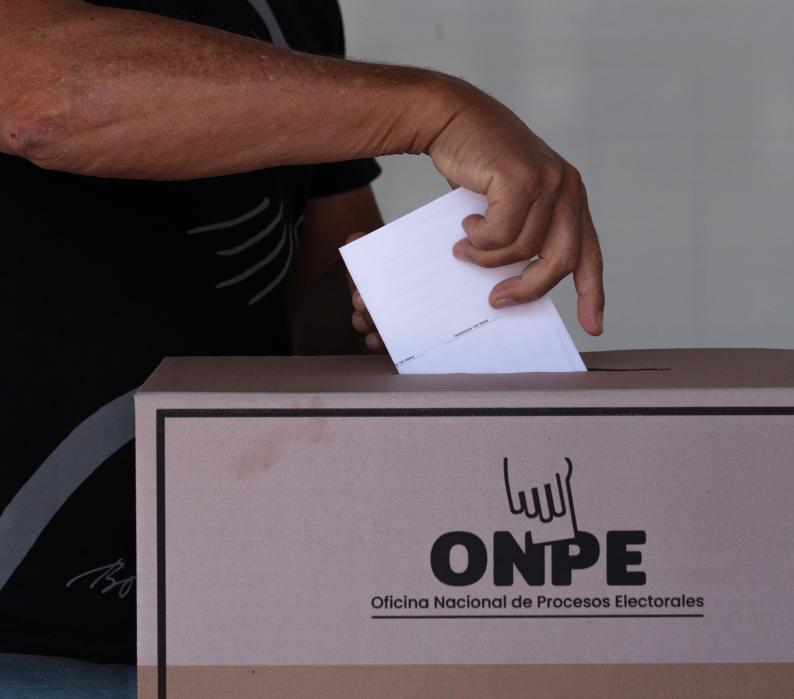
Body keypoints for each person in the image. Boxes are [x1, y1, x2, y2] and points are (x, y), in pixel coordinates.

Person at [0, 0, 604, 663]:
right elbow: (35, 98)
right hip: (22, 632)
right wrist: (437, 112)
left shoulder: (295, 8)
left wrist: (396, 304)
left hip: (230, 607)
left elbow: (315, 299)